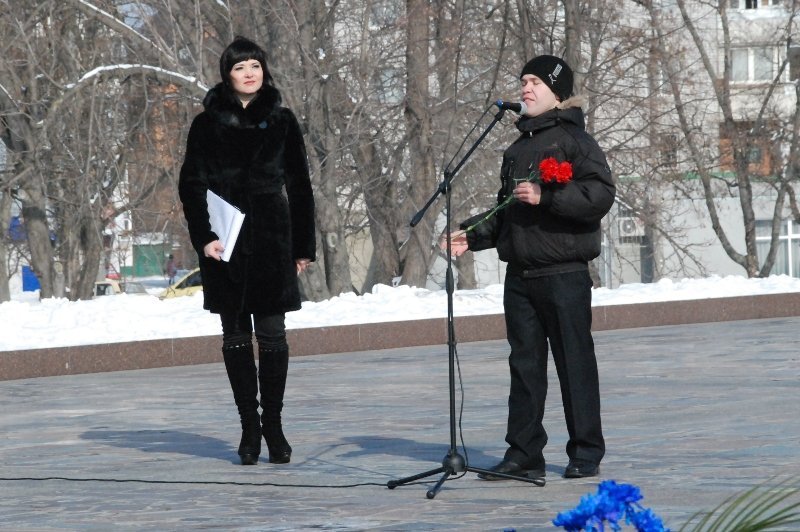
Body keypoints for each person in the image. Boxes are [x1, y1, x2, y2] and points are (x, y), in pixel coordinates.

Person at [442, 55, 615, 480]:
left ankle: (586, 452)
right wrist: (472, 235)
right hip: (520, 276)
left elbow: (600, 196)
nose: (526, 88)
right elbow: (508, 213)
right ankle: (523, 452)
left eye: (535, 81)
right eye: (523, 81)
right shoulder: (517, 149)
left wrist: (548, 197)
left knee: (574, 363)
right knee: (524, 367)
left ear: (558, 92)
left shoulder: (577, 141)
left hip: (564, 274)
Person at [178, 36, 315, 466]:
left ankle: (273, 424)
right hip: (225, 240)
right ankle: (248, 427)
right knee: (235, 335)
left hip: (273, 237)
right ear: (227, 74)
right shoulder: (205, 125)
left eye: (255, 65)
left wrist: (302, 247)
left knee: (273, 334)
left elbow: (300, 186)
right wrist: (204, 237)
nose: (249, 73)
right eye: (240, 67)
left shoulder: (282, 121)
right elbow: (191, 185)